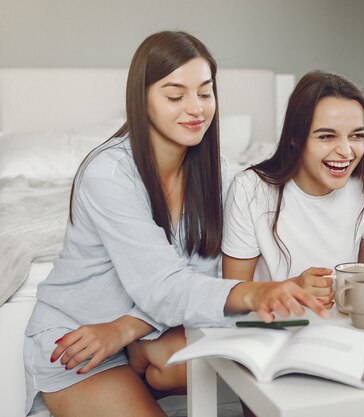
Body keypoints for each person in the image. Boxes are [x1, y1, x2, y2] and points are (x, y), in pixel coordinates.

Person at [23, 31, 326, 417]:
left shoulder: (215, 169)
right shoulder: (108, 175)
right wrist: (255, 292)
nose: (195, 108)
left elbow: (199, 270)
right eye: (174, 95)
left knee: (272, 359)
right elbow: (163, 285)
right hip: (81, 341)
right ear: (142, 99)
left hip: (140, 335)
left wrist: (127, 328)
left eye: (205, 92)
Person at [222, 70, 364, 306]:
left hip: (344, 326)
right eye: (326, 137)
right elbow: (231, 296)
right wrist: (291, 288)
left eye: (356, 136)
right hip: (272, 327)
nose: (345, 151)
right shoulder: (249, 190)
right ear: (295, 137)